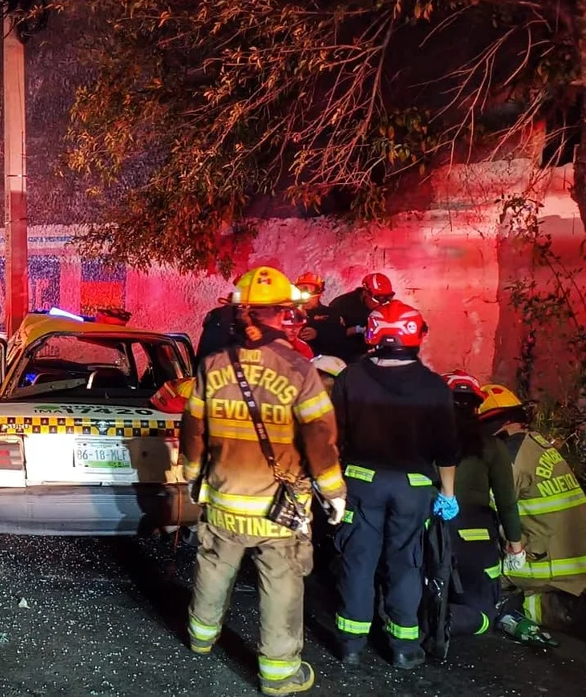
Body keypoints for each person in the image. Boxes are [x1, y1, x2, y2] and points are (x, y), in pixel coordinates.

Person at [181, 266, 345, 696]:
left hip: (223, 496)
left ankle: (201, 636)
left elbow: (194, 428)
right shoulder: (299, 370)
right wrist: (334, 493)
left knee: (214, 567)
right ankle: (278, 674)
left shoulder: (212, 365)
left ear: (241, 314)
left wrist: (192, 475)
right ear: (284, 314)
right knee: (281, 583)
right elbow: (320, 440)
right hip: (278, 508)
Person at [330, 299, 458, 669]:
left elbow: (332, 437)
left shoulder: (350, 378)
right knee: (406, 562)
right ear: (416, 335)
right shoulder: (434, 386)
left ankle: (351, 644)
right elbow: (447, 450)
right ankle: (404, 647)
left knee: (358, 560)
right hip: (413, 487)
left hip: (361, 483)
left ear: (373, 333)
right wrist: (448, 494)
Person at [478, 383, 586, 639]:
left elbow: (487, 514)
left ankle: (527, 606)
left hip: (548, 568)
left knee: (478, 575)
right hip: (574, 560)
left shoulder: (509, 456)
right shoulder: (538, 445)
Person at [442, 371, 524, 641]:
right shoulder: (492, 447)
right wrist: (515, 544)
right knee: (483, 615)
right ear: (477, 407)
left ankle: (419, 617)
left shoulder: (424, 441)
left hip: (430, 533)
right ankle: (447, 620)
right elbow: (506, 501)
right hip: (475, 540)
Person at [326, 273, 396, 363]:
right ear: (365, 293)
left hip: (373, 356)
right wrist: (357, 329)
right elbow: (330, 335)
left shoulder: (384, 306)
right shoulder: (341, 305)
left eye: (386, 298)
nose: (381, 304)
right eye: (378, 298)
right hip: (345, 358)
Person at [293, 272, 344, 358]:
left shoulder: (330, 312)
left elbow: (339, 335)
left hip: (322, 359)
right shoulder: (291, 312)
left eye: (309, 289)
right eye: (300, 289)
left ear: (319, 293)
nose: (305, 295)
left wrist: (317, 334)